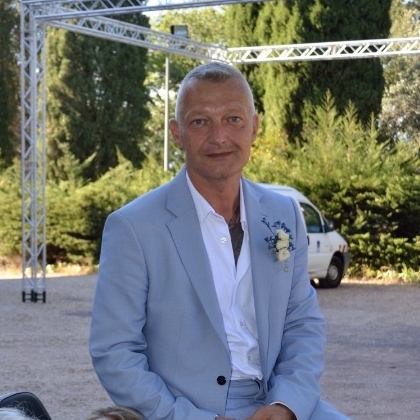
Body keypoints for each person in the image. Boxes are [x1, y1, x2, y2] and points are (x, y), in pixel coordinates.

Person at [89, 62, 351, 420]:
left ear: (254, 128)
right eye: (200, 122)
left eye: (233, 119)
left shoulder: (284, 214)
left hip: (276, 401)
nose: (219, 137)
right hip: (185, 410)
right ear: (177, 133)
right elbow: (115, 351)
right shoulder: (133, 227)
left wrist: (287, 404)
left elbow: (302, 323)